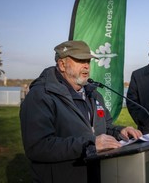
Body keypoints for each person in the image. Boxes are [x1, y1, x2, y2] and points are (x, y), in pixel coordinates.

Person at [19, 40, 142, 183]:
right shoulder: (41, 96)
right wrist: (90, 145)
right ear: (62, 65)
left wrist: (120, 131)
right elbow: (38, 147)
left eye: (88, 61)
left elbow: (105, 127)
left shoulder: (94, 95)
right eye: (80, 60)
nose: (86, 66)